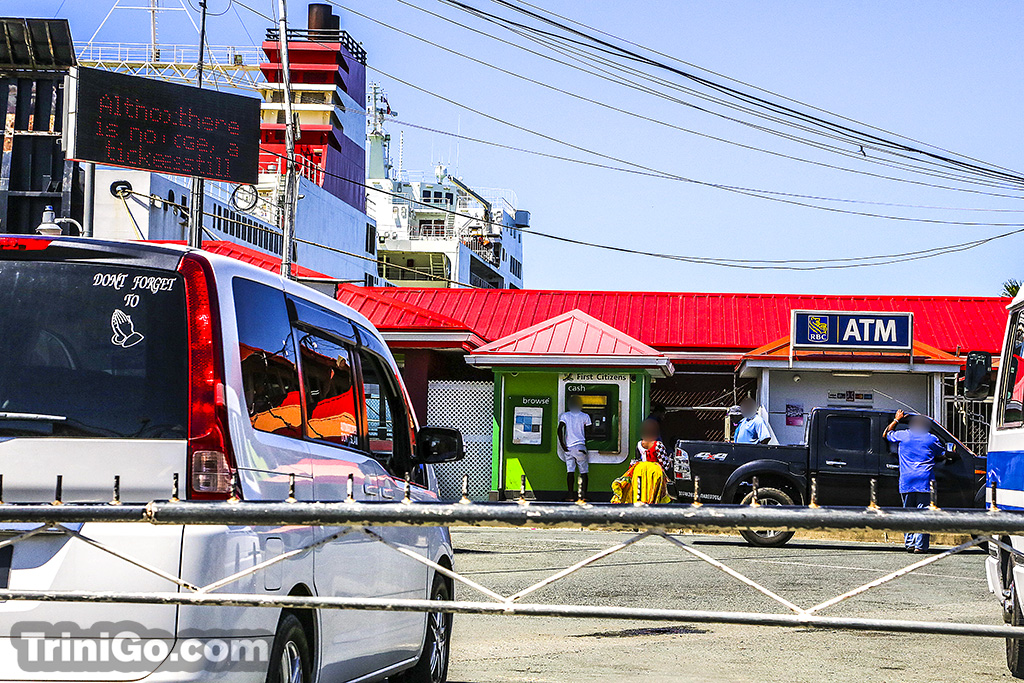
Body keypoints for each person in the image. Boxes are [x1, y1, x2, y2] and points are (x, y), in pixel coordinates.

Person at [883, 409, 943, 553]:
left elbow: (886, 434)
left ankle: (909, 543)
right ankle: (920, 546)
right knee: (923, 513)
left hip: (907, 480)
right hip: (925, 480)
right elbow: (942, 452)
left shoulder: (903, 435)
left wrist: (896, 419)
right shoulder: (931, 439)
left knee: (908, 512)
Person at [558, 394, 592, 500]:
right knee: (583, 472)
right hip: (580, 447)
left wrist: (563, 444)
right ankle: (583, 495)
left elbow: (559, 430)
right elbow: (590, 431)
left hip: (568, 447)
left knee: (570, 471)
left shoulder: (565, 416)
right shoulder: (585, 416)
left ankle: (570, 495)